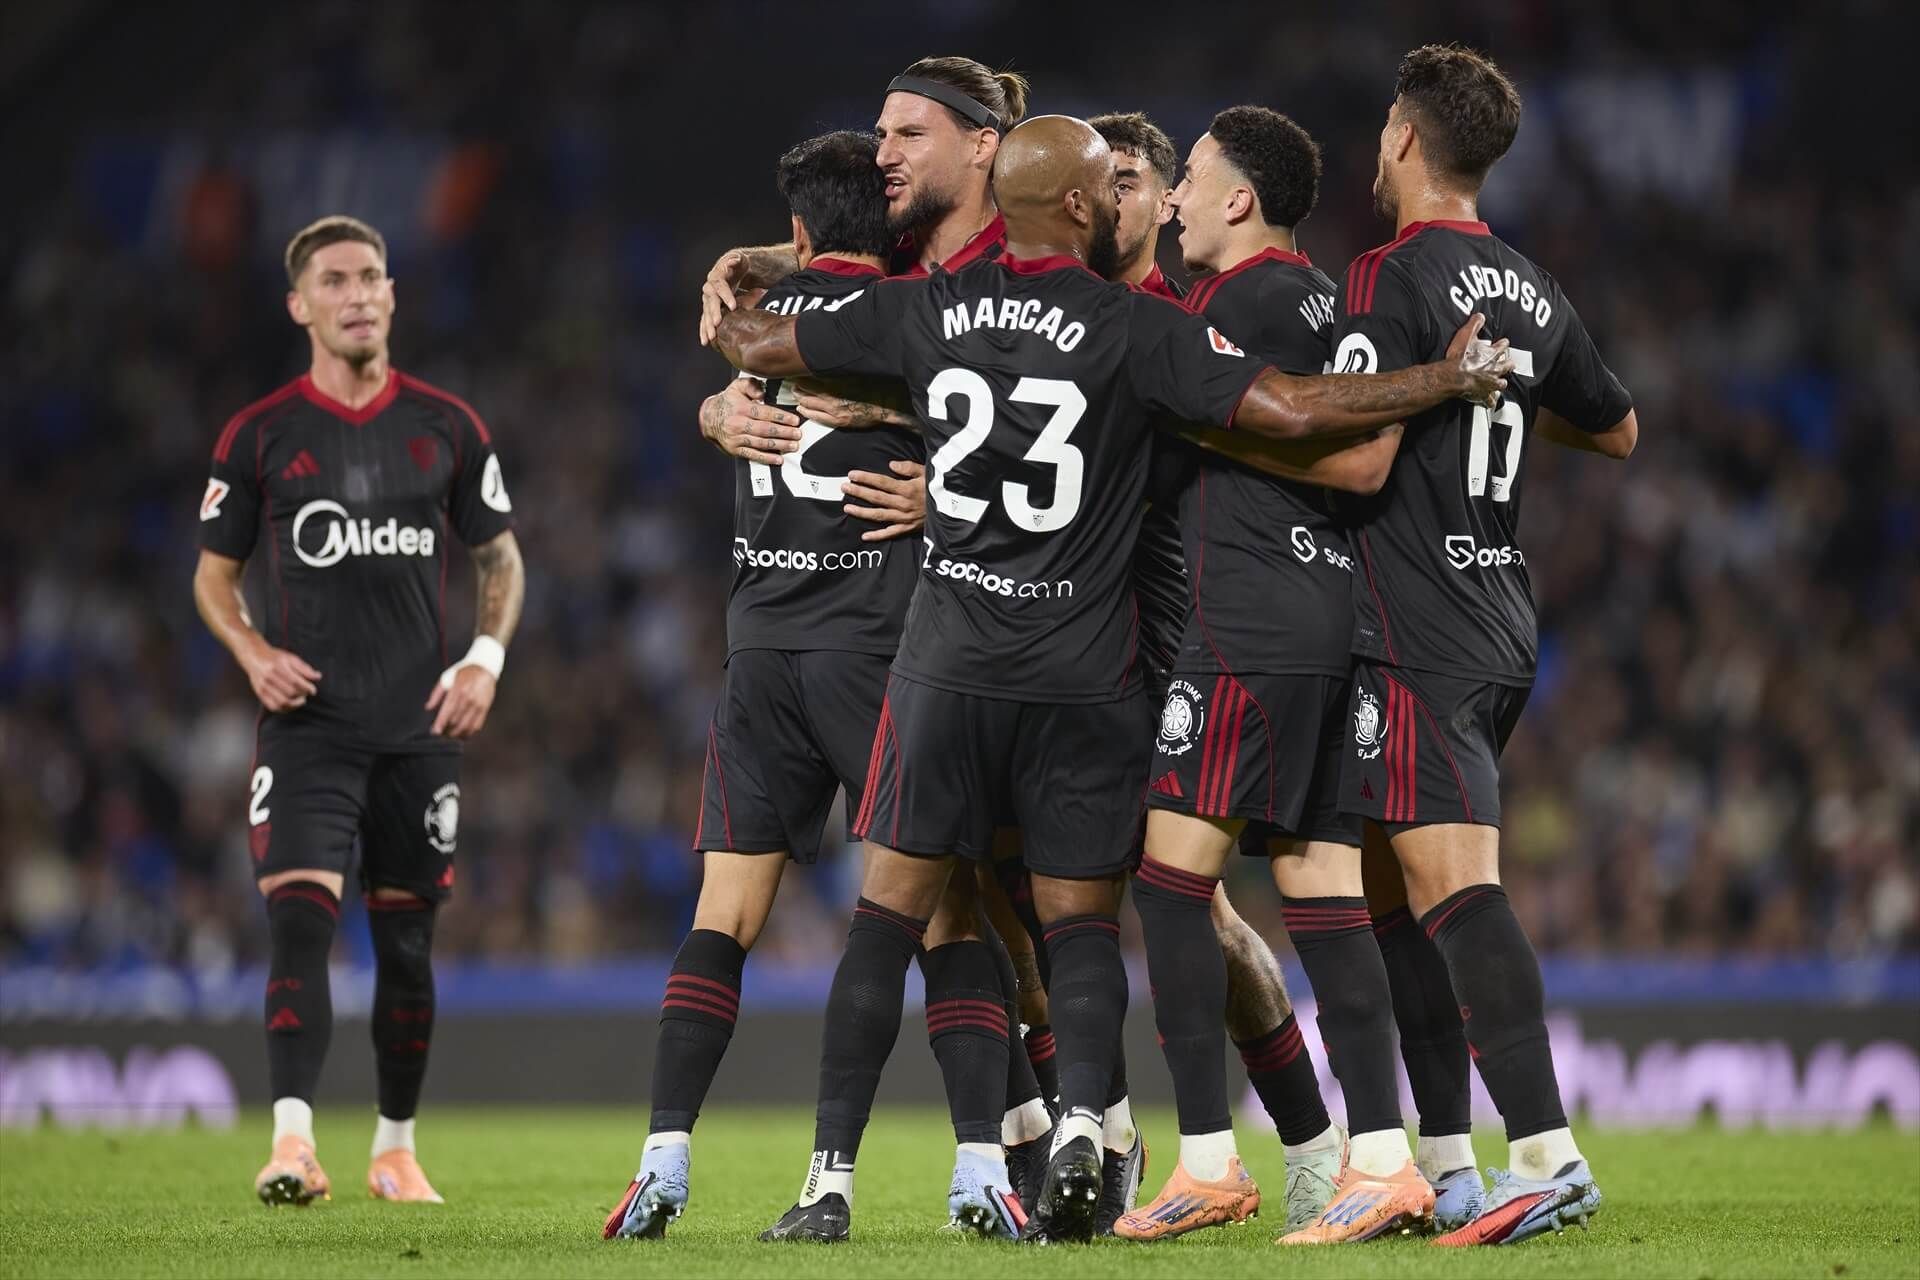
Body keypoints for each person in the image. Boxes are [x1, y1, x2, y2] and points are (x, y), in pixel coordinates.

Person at [707, 113, 1513, 1244]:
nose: (1155, 202)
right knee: (1090, 919)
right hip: (1090, 666)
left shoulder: (928, 309)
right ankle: (1095, 1122)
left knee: (891, 916)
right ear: (1087, 208)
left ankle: (833, 1178)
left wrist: (757, 283)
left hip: (945, 666)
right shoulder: (1134, 324)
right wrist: (1440, 375)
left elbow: (762, 345)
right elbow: (1289, 408)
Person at [1326, 44, 1636, 1248]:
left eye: (1383, 130)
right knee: (1392, 889)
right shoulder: (1531, 285)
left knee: (1454, 888)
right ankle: (1450, 1166)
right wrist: (1490, 394)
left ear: (1404, 140)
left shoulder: (1387, 274)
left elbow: (1355, 457)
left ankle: (1548, 1153)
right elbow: (1616, 431)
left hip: (1417, 621)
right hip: (1498, 602)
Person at [602, 131, 926, 1241]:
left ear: (797, 231)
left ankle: (662, 1157)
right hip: (877, 651)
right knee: (930, 914)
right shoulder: (915, 321)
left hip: (760, 654)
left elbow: (755, 365)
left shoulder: (760, 334)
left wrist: (712, 403)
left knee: (722, 915)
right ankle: (942, 1165)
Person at [1115, 104, 1431, 1244]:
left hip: (1246, 619)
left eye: (1189, 178)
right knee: (1322, 893)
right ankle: (1384, 1161)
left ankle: (1205, 1157)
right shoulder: (1333, 301)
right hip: (1334, 615)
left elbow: (1321, 453)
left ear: (1240, 199)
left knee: (1168, 881)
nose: (1178, 198)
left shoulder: (1227, 306)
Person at [192, 215, 525, 1207]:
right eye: (335, 280)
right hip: (310, 731)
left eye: (373, 276)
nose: (360, 294)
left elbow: (499, 557)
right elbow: (213, 578)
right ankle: (293, 1144)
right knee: (299, 921)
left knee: (408, 945)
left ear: (391, 294)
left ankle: (394, 1147)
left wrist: (485, 657)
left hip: (419, 733)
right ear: (301, 305)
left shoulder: (447, 425)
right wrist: (251, 650)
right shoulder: (260, 434)